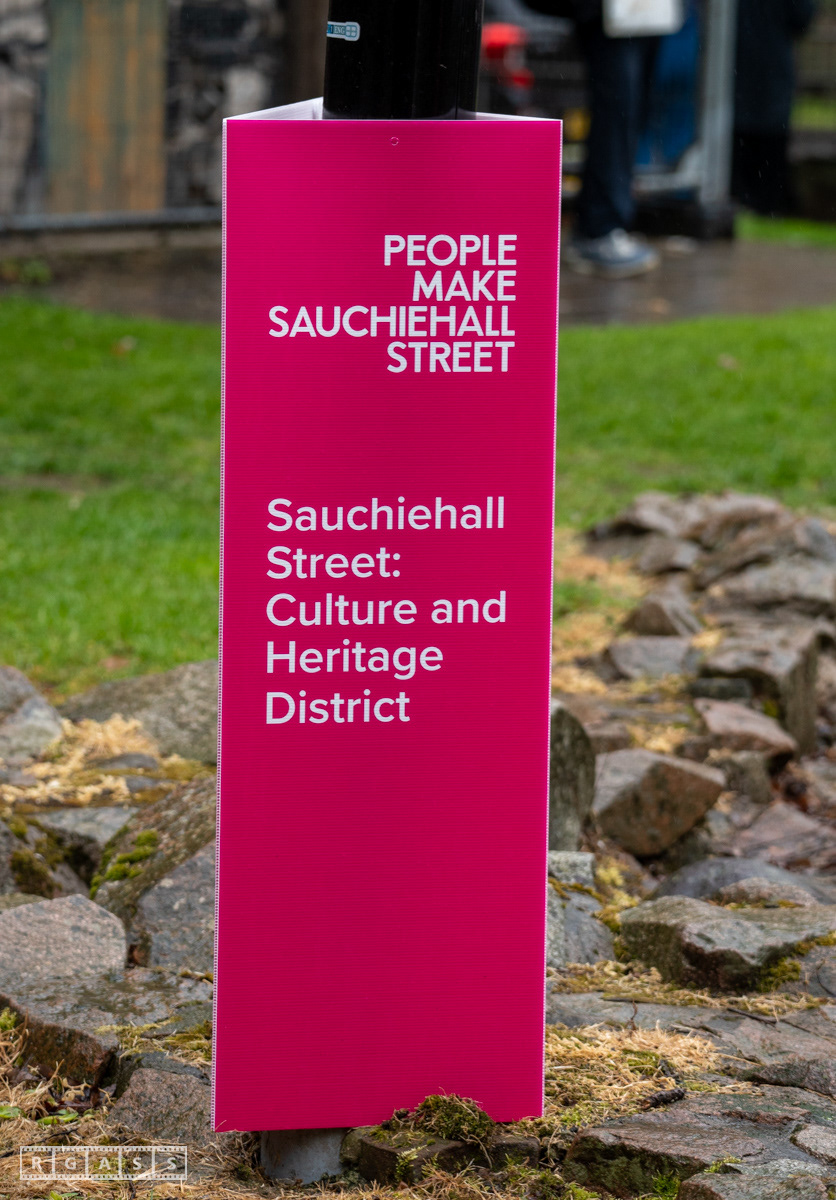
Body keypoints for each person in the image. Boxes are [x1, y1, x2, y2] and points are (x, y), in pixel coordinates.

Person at [525, 0, 662, 277]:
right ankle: (600, 226)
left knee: (629, 105)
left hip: (643, 12)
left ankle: (602, 223)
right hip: (607, 11)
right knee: (618, 106)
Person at [732, 0, 817, 216]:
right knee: (768, 148)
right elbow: (802, 18)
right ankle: (766, 205)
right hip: (771, 72)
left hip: (738, 72)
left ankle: (748, 201)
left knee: (743, 146)